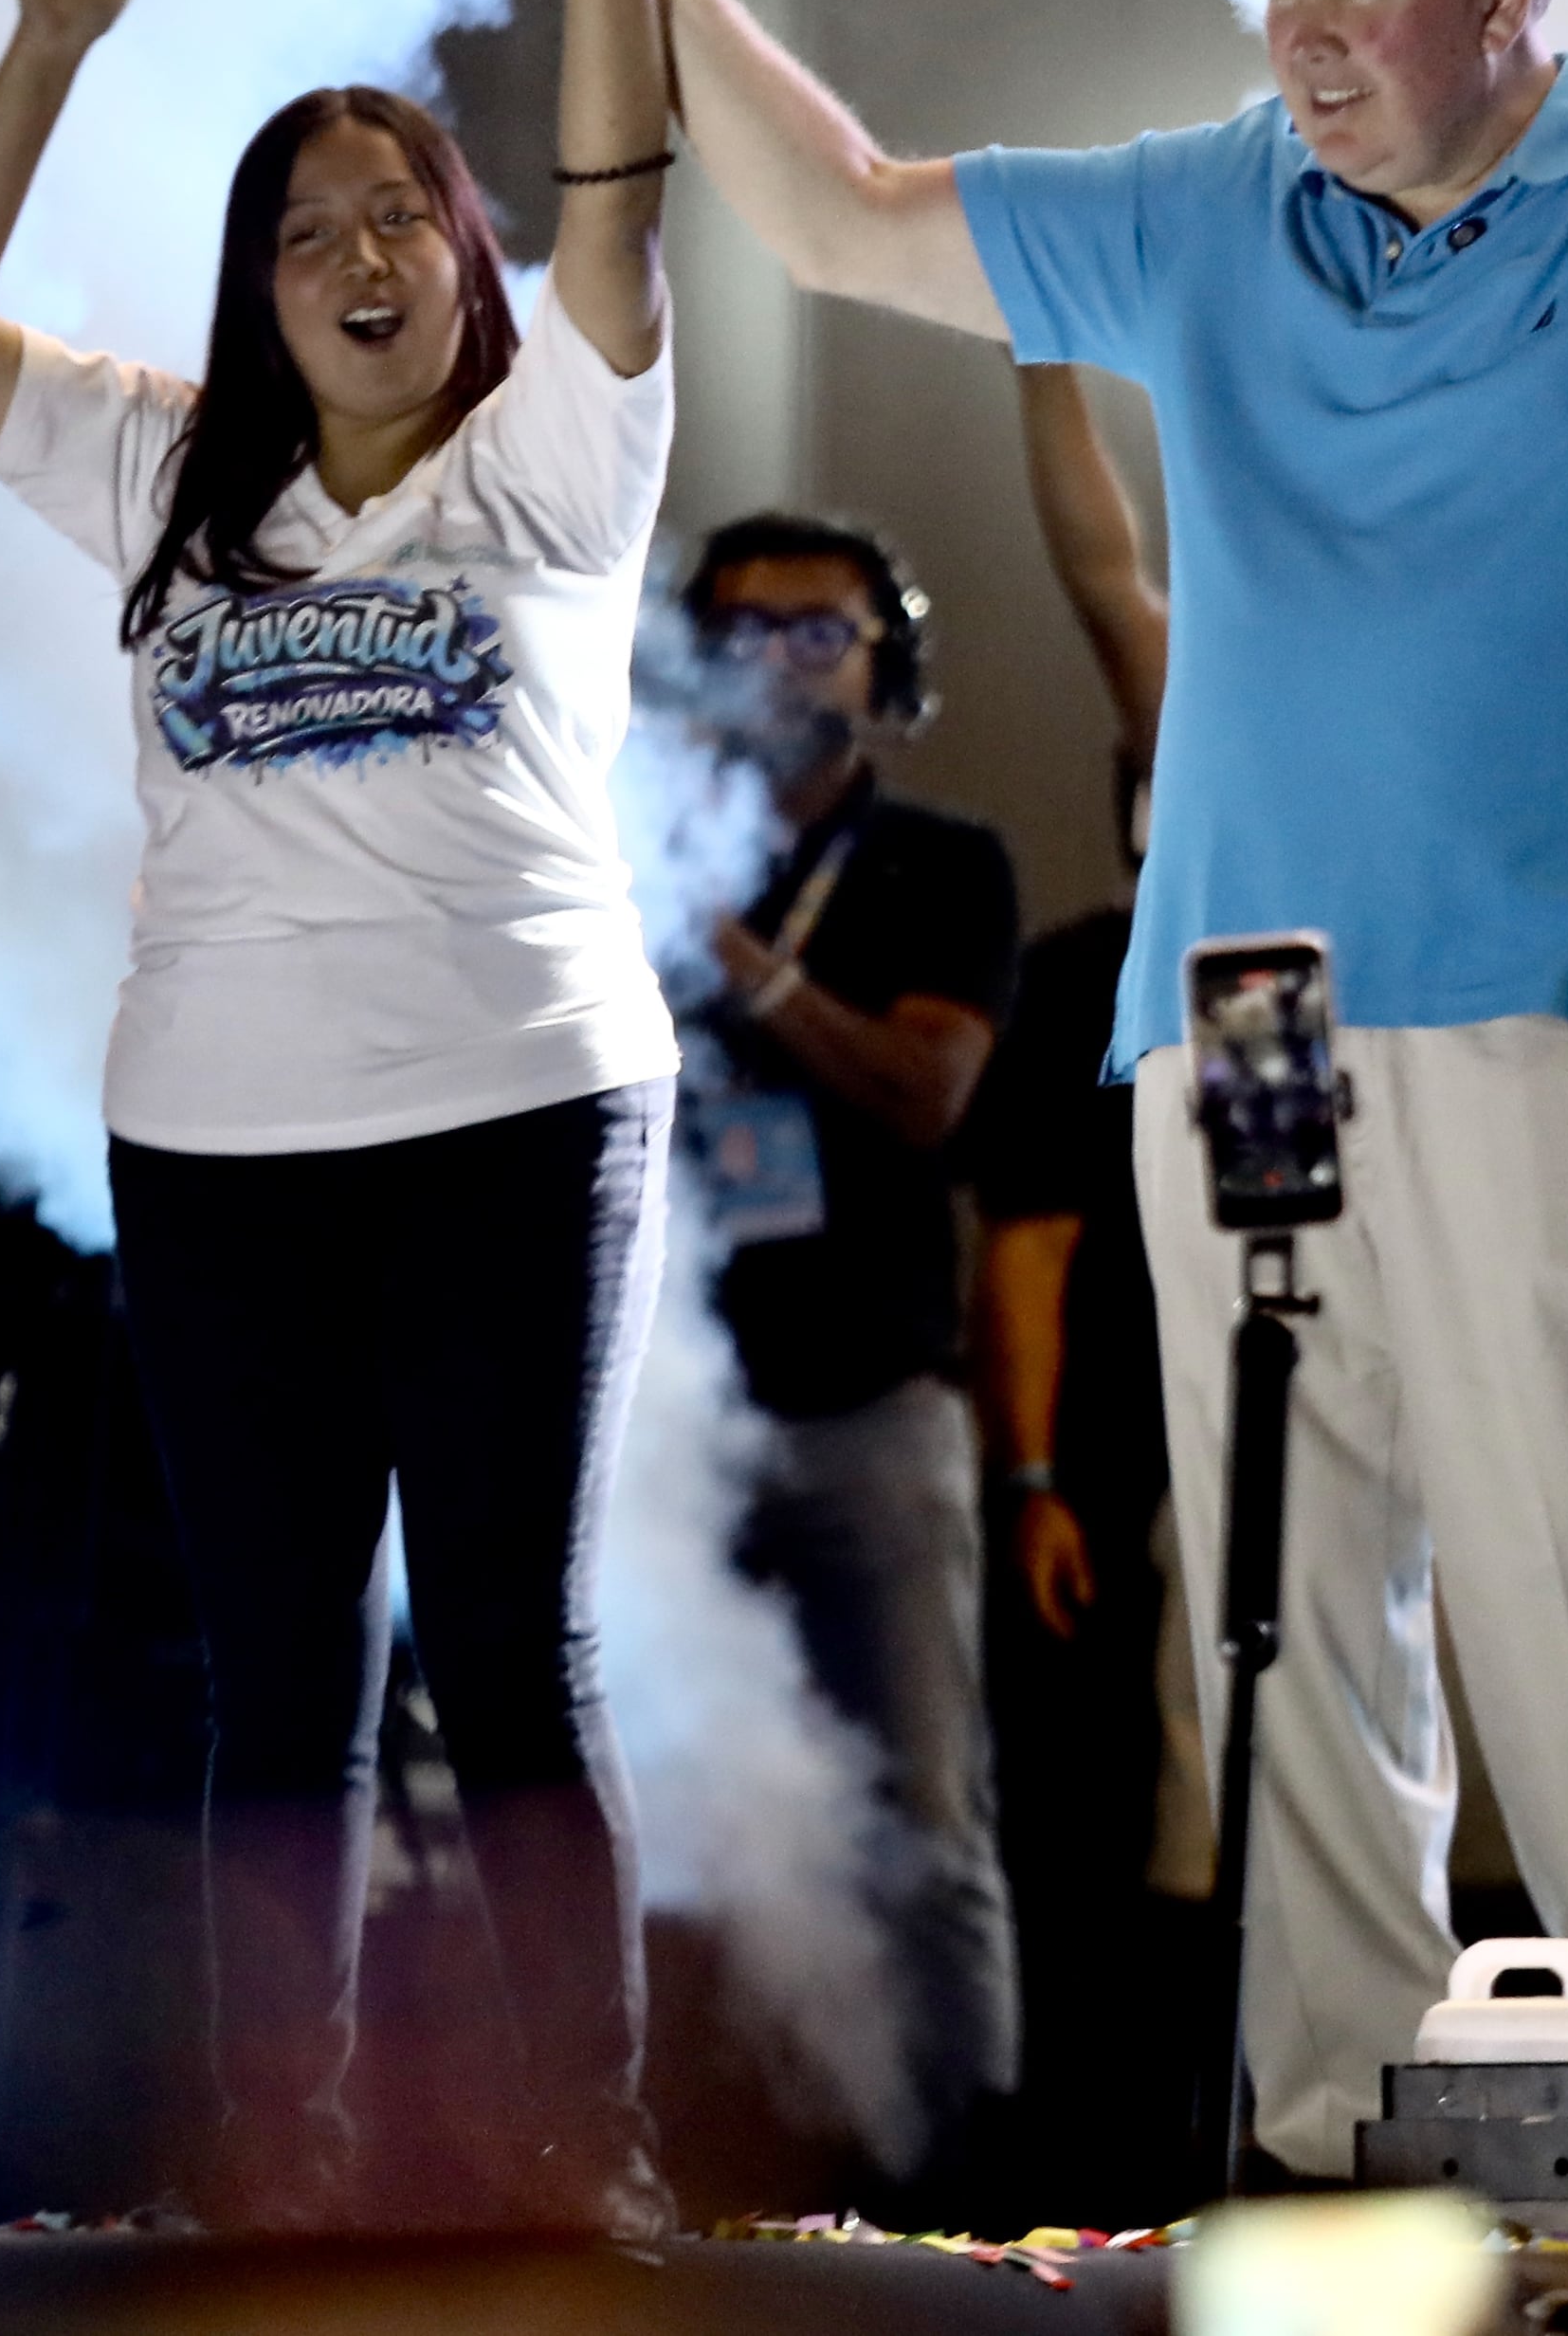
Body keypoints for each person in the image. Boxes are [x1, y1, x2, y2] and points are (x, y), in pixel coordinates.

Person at [483, 0, 1568, 2171]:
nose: (1301, 33)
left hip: (1548, 1000)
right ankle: (1339, 2144)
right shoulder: (1218, 209)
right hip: (1249, 1022)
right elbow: (837, 213)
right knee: (1299, 1608)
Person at [0, 0, 677, 2236]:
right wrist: (40, 54)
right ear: (258, 285)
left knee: (511, 1657)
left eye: (396, 214)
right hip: (215, 1148)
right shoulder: (166, 474)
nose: (353, 253)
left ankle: (580, 2156)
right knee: (279, 1691)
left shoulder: (558, 454)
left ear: (462, 255)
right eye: (304, 230)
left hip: (521, 1111)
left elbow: (623, 198)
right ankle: (279, 2169)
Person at [675, 505, 1028, 2181]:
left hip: (874, 1404)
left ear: (887, 662)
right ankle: (697, 2159)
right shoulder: (617, 841)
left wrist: (730, 957)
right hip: (667, 1416)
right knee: (683, 1823)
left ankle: (963, 2180)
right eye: (741, 628)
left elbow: (922, 1092)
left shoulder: (943, 863)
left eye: (820, 631)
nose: (780, 663)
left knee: (927, 1826)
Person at [960, 357, 1190, 2217]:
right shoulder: (1100, 965)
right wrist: (1042, 349)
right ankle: (1088, 2162)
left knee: (1294, 1802)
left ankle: (1262, 2145)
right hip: (1120, 1437)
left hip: (1310, 1402)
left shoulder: (1369, 892)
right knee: (1101, 1805)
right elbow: (1107, 577)